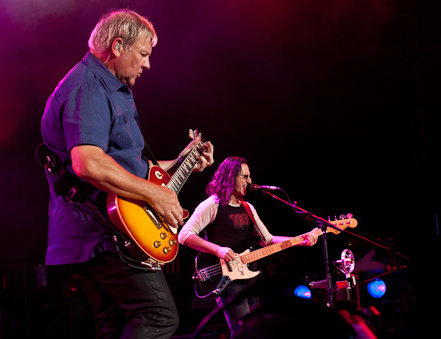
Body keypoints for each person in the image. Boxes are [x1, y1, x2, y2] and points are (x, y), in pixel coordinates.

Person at [40, 9, 214, 339]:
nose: (147, 65)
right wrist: (154, 194)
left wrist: (182, 162)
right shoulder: (88, 86)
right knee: (159, 316)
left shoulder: (113, 88)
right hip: (104, 236)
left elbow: (130, 168)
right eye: (144, 54)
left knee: (115, 325)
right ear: (118, 46)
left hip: (108, 234)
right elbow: (88, 163)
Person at [178, 156, 317, 337]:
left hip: (249, 278)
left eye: (249, 176)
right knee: (244, 332)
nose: (249, 181)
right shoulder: (213, 204)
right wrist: (218, 249)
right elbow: (184, 235)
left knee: (255, 330)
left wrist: (300, 239)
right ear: (229, 177)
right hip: (227, 279)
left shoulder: (248, 207)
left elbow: (267, 240)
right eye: (244, 176)